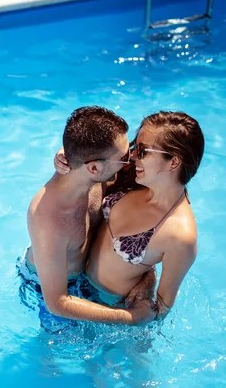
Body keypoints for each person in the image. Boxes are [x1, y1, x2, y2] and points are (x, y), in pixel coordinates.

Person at [54, 111, 205, 320]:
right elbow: (93, 160)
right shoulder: (133, 178)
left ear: (173, 163)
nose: (132, 156)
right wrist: (68, 156)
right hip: (74, 283)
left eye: (143, 151)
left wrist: (131, 316)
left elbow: (160, 307)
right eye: (135, 147)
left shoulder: (179, 235)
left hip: (109, 312)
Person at [19, 106, 157, 328]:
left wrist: (148, 278)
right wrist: (131, 317)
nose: (131, 160)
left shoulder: (96, 174)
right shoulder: (48, 220)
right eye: (123, 157)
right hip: (47, 287)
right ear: (93, 168)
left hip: (86, 274)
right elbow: (57, 302)